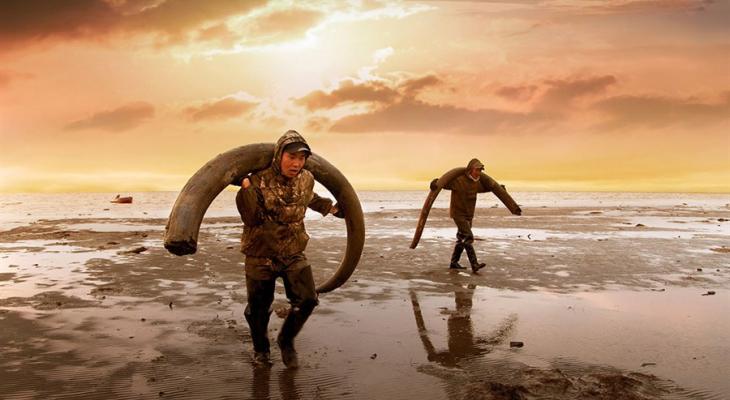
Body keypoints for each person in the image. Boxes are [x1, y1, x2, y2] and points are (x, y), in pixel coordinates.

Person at [235, 130, 343, 368]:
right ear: (279, 155)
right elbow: (251, 217)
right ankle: (261, 350)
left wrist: (332, 209)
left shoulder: (307, 178)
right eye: (291, 157)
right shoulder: (257, 180)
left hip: (293, 250)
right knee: (258, 309)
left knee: (307, 300)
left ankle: (286, 340)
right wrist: (246, 187)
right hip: (260, 253)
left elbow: (309, 197)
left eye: (301, 158)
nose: (296, 163)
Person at [432, 158, 521, 273]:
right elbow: (444, 184)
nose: (479, 172)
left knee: (461, 238)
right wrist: (434, 182)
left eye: (480, 170)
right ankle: (474, 264)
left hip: (469, 215)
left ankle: (454, 263)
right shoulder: (458, 180)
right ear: (470, 169)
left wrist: (499, 188)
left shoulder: (476, 183)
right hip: (458, 214)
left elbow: (485, 188)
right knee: (468, 237)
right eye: (477, 170)